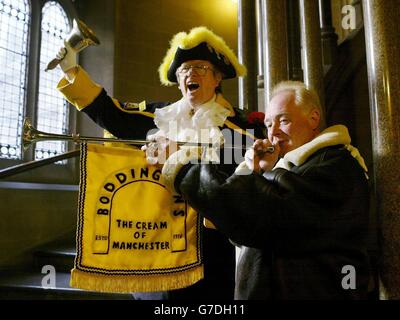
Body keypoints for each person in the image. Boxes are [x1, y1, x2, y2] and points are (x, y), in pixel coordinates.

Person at [55, 26, 265, 300]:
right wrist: (71, 69)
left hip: (209, 247)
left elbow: (237, 179)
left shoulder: (239, 126)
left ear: (217, 78)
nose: (190, 73)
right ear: (178, 82)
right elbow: (113, 114)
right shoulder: (160, 116)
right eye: (184, 70)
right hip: (156, 242)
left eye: (200, 67)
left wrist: (182, 155)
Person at [160, 80, 371, 300]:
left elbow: (251, 213)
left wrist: (181, 165)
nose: (274, 133)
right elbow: (236, 225)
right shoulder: (296, 168)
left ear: (314, 118)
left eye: (284, 120)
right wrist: (255, 170)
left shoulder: (334, 165)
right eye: (269, 124)